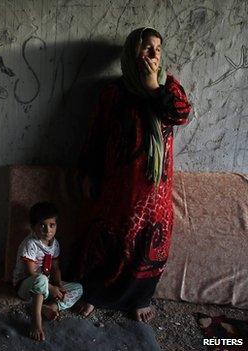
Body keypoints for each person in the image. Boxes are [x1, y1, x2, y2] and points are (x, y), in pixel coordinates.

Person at [75, 27, 192, 322]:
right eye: (146, 48)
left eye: (158, 49)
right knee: (109, 240)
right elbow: (96, 134)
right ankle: (95, 295)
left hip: (155, 190)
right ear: (132, 53)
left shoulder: (168, 87)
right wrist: (88, 172)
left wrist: (154, 87)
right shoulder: (113, 93)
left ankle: (139, 298)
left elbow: (181, 115)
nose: (153, 54)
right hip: (118, 186)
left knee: (149, 245)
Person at [12, 202, 83, 341]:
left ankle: (50, 306)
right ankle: (36, 320)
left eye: (52, 225)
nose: (48, 230)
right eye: (42, 225)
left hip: (46, 285)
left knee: (77, 288)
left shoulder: (55, 244)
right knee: (41, 279)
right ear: (33, 227)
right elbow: (31, 273)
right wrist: (51, 287)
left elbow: (55, 268)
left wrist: (58, 286)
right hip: (25, 285)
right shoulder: (30, 243)